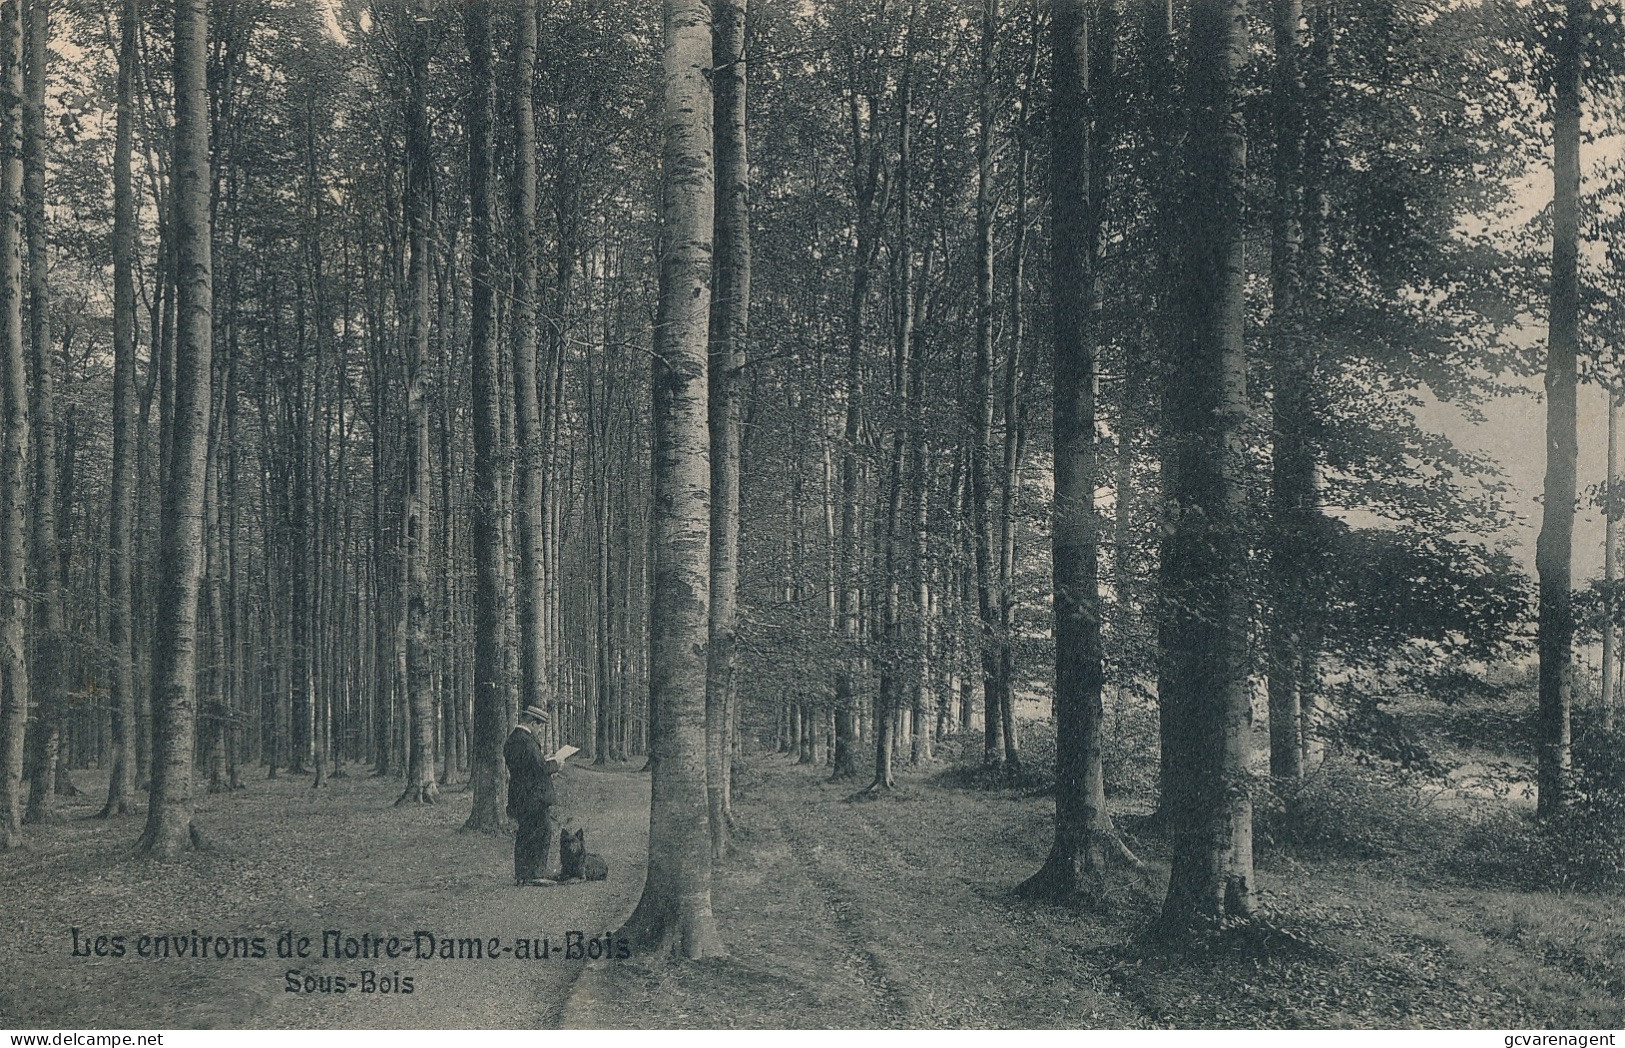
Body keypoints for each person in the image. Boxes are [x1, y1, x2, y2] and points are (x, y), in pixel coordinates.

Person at [505, 703, 561, 885]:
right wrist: (556, 764)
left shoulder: (512, 738)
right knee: (543, 831)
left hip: (519, 794)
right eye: (539, 726)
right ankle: (536, 874)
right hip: (534, 796)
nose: (539, 730)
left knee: (525, 833)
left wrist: (543, 759)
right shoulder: (527, 741)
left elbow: (525, 766)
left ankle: (522, 874)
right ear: (532, 723)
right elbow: (539, 768)